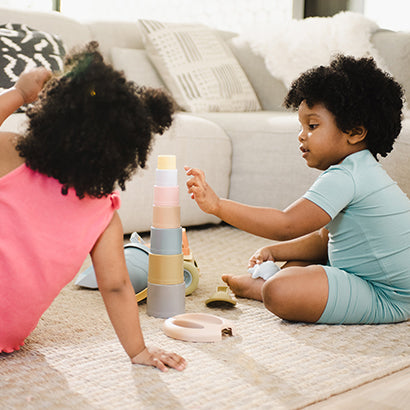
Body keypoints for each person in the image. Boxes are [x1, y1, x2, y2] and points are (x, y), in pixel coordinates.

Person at [0, 42, 186, 371]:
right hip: (7, 332)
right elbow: (116, 286)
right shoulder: (104, 216)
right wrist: (138, 351)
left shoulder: (12, 154)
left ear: (50, 115)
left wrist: (18, 92)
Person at [185, 55, 410, 325]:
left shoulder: (346, 176)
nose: (302, 135)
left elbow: (287, 225)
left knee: (281, 290)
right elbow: (324, 241)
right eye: (301, 126)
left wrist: (218, 206)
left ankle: (260, 287)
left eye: (312, 126)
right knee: (296, 266)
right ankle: (275, 278)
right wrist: (278, 252)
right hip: (376, 280)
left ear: (355, 131)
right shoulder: (362, 169)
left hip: (389, 296)